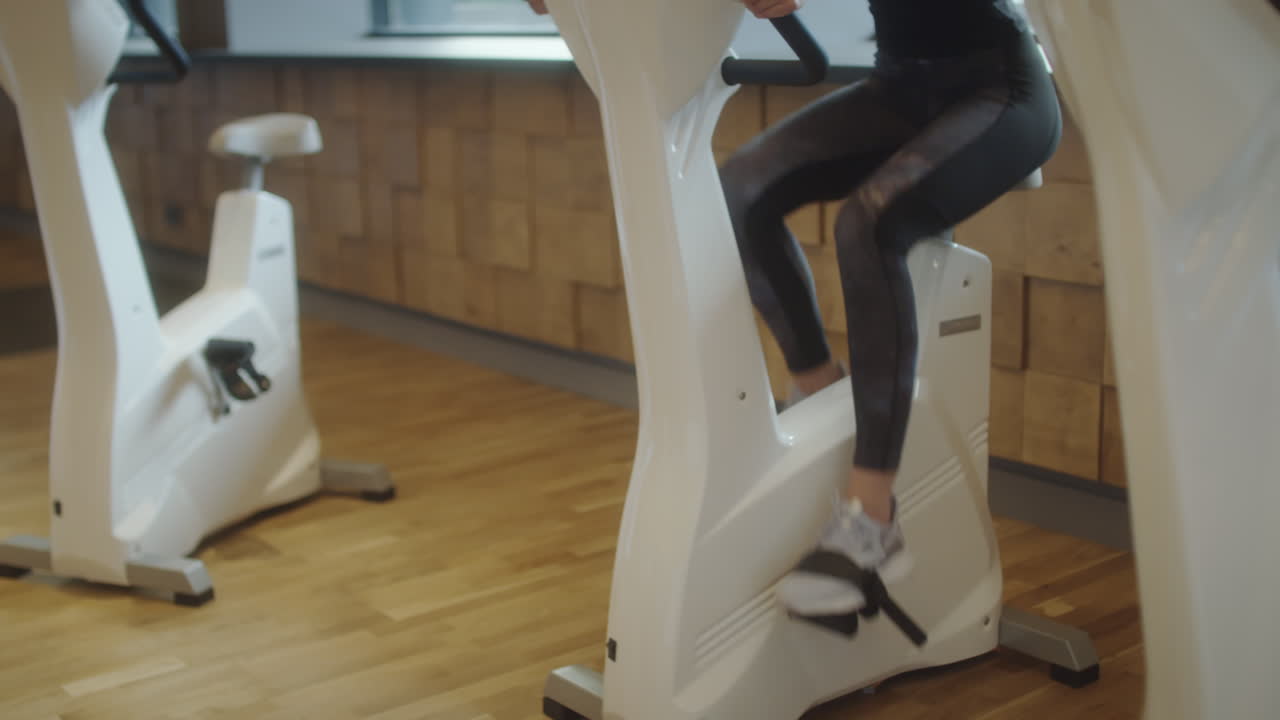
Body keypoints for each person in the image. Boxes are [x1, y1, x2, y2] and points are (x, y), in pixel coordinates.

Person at [526, 0, 1061, 622]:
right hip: (901, 87)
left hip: (1000, 90)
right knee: (742, 193)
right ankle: (820, 392)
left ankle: (873, 520)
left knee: (868, 222)